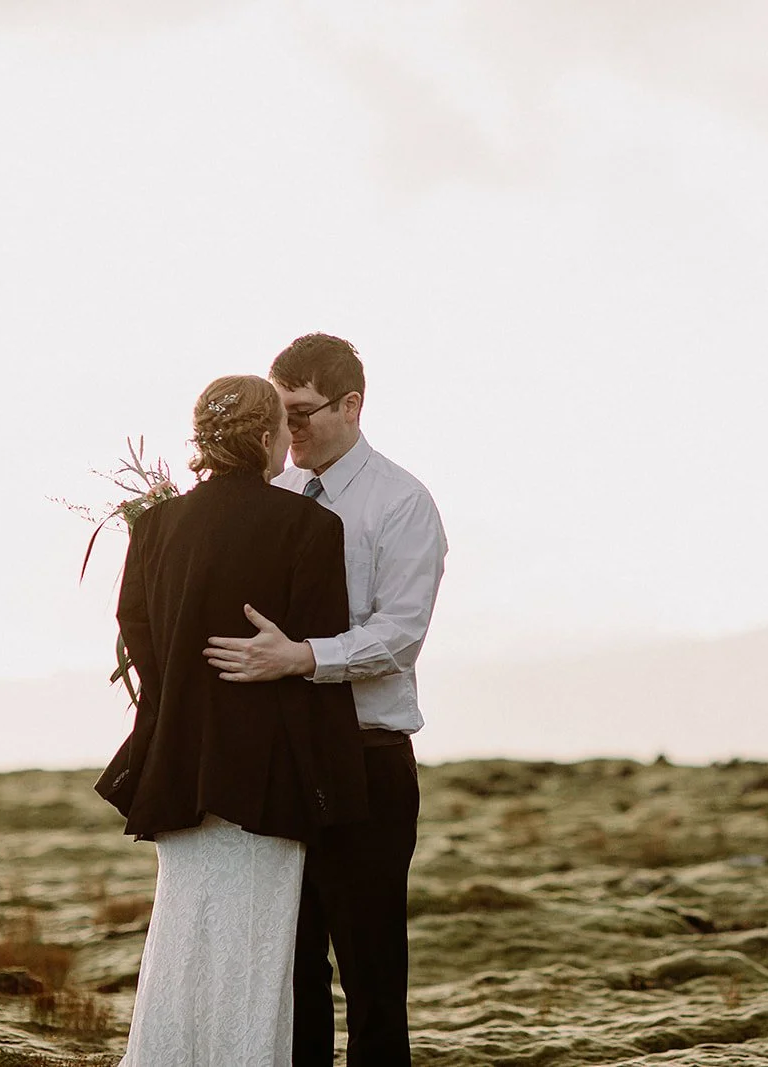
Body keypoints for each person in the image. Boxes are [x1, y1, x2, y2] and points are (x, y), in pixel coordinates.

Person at [97, 374, 369, 1066]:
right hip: (266, 781)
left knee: (182, 941)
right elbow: (314, 659)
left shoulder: (156, 525)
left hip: (179, 771)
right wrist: (337, 788)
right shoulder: (310, 526)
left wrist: (183, 693)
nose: (289, 438)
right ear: (262, 436)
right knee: (256, 957)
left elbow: (136, 627)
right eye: (282, 425)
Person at [203, 334, 447, 1066]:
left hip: (369, 760)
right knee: (291, 971)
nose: (287, 431)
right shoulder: (266, 495)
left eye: (302, 413)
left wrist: (303, 657)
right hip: (283, 764)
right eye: (280, 414)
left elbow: (400, 636)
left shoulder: (403, 503)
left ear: (352, 404)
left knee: (373, 973)